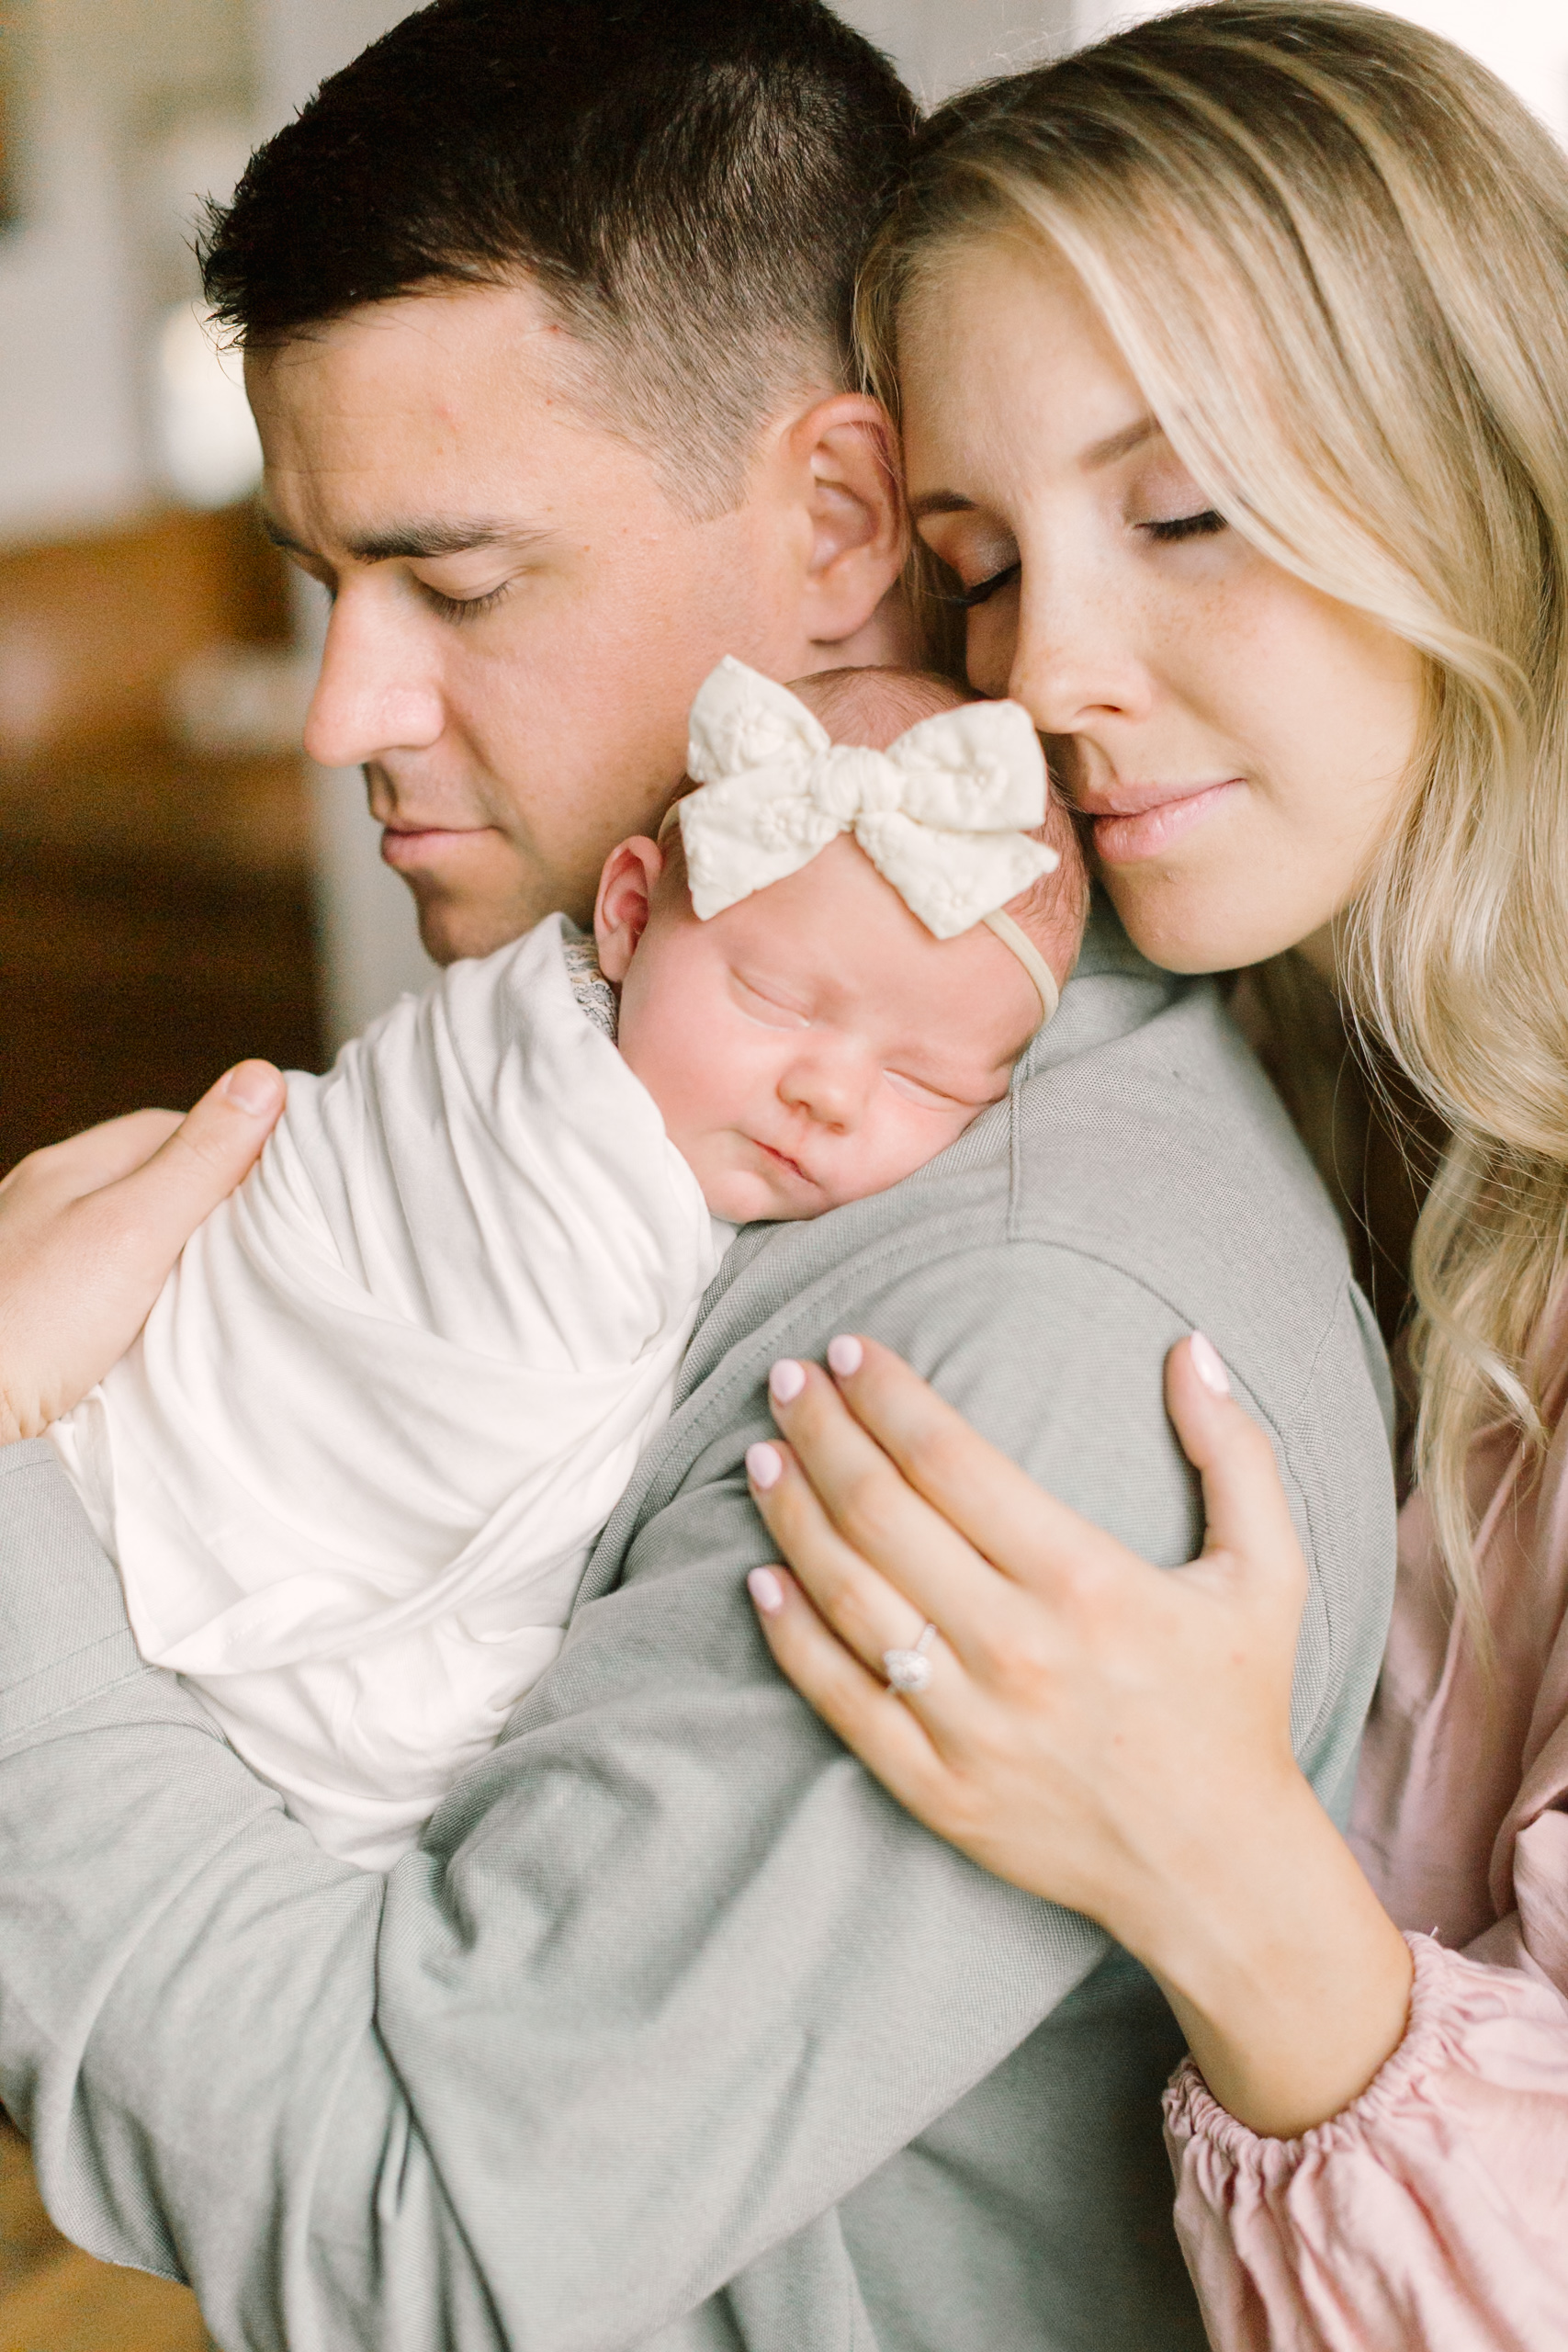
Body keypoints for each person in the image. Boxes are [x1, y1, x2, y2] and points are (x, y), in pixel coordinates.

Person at [0, 2, 1395, 2345]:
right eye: (322, 582)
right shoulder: (618, 1059)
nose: (348, 708)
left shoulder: (1017, 1332)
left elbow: (422, 2221)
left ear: (843, 518)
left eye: (453, 585)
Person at [734, 6, 1568, 2343]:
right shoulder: (1285, 1054)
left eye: (1182, 510)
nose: (1041, 672)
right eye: (976, 560)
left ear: (1482, 463)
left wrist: (1212, 1864)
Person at [49, 661, 1078, 1871]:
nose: (832, 1093)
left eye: (922, 1080)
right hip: (186, 1449)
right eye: (773, 997)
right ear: (628, 919)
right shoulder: (532, 1102)